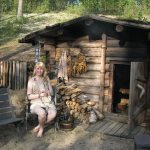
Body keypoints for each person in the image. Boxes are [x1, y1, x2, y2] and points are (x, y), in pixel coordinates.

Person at [27, 62, 57, 137]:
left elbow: (52, 92)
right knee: (42, 113)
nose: (39, 70)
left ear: (43, 70)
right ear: (35, 69)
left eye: (41, 69)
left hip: (48, 102)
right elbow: (29, 97)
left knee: (53, 114)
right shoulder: (31, 81)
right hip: (36, 103)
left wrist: (47, 92)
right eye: (38, 68)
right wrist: (39, 95)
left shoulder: (46, 79)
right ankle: (41, 129)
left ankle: (39, 126)